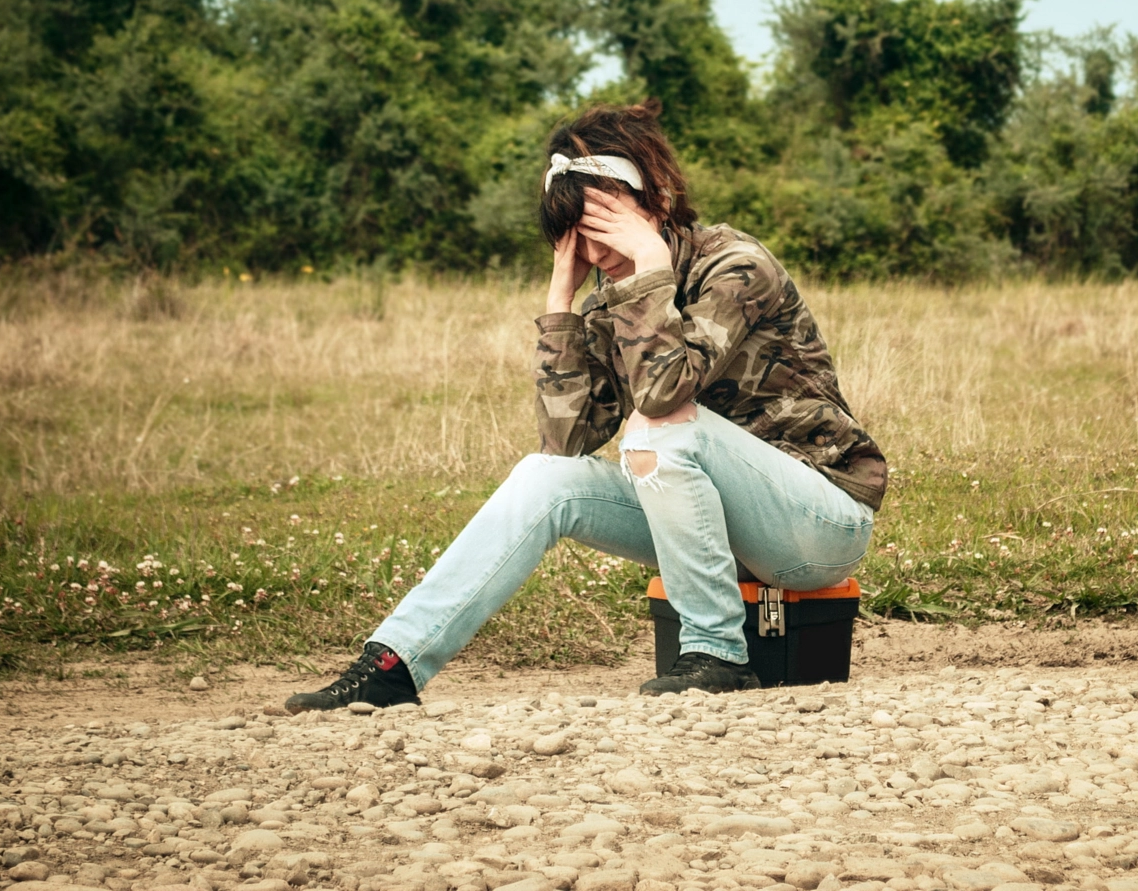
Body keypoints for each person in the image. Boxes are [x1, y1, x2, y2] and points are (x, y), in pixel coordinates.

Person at [285, 101, 886, 710]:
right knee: (544, 478)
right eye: (578, 231)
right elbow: (566, 442)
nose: (595, 252)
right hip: (719, 531)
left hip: (818, 523)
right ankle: (394, 663)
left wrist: (649, 266)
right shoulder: (608, 298)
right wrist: (562, 300)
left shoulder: (735, 267)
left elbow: (664, 395)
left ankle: (716, 651)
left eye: (603, 224)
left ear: (656, 199)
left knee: (658, 426)